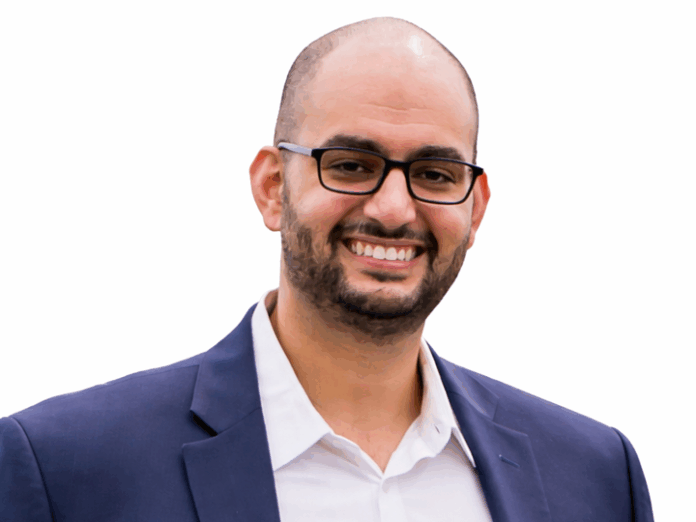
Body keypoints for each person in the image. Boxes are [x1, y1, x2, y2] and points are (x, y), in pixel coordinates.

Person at [0, 17, 653, 522]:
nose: (393, 209)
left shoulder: (596, 477)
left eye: (434, 173)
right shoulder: (65, 471)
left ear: (475, 208)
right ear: (271, 188)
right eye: (350, 165)